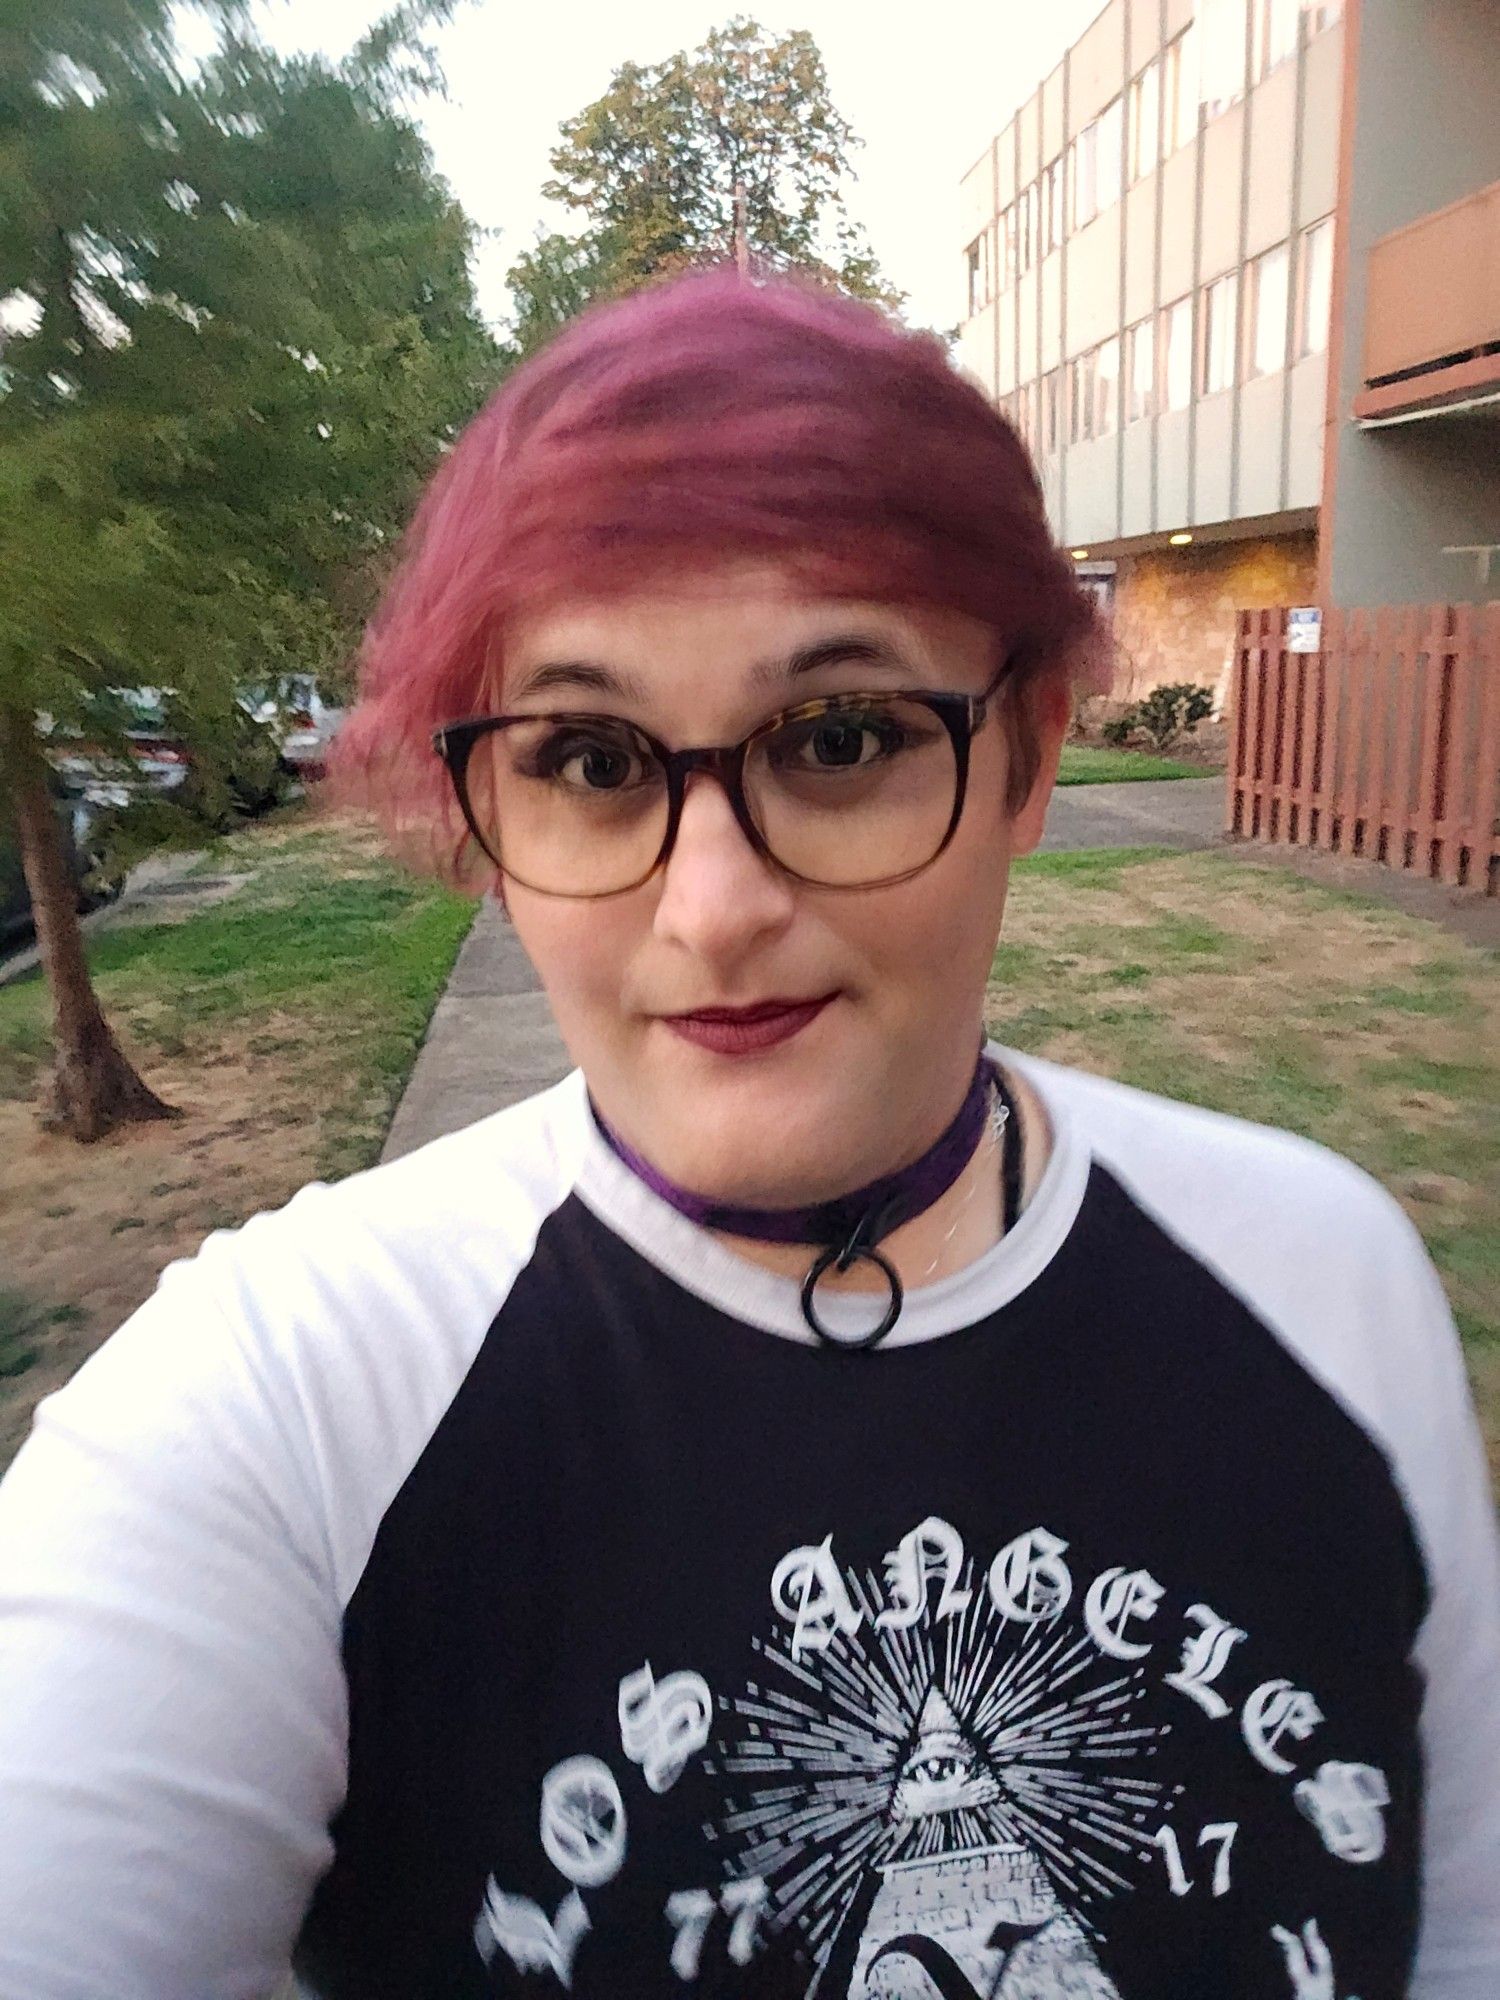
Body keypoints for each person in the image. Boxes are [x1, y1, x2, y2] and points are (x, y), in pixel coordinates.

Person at [0, 272, 1496, 2000]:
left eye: (840, 737)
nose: (712, 909)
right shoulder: (281, 1405)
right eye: (586, 757)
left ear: (1026, 760)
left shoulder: (1328, 1278)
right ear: (488, 816)